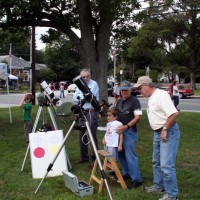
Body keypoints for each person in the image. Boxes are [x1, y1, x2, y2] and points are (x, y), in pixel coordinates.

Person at [134, 76, 180, 200]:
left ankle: (172, 195)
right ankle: (159, 185)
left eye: (140, 88)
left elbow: (174, 113)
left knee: (166, 165)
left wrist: (164, 129)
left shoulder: (161, 95)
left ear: (146, 86)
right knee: (156, 162)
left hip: (168, 132)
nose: (139, 91)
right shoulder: (152, 97)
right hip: (158, 133)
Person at [115, 80, 143, 189]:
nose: (124, 92)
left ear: (130, 89)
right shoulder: (118, 101)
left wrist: (126, 126)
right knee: (121, 154)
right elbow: (115, 114)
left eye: (126, 90)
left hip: (129, 131)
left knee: (130, 155)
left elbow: (138, 117)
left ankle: (137, 179)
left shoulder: (135, 101)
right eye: (122, 90)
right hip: (119, 131)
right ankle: (127, 173)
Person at [73, 68, 99, 164]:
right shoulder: (79, 85)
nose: (85, 78)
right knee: (82, 134)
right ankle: (84, 157)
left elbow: (89, 98)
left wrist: (82, 98)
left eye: (87, 76)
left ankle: (95, 159)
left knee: (91, 135)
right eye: (83, 77)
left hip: (91, 111)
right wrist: (82, 97)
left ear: (90, 76)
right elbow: (74, 98)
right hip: (82, 111)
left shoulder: (94, 84)